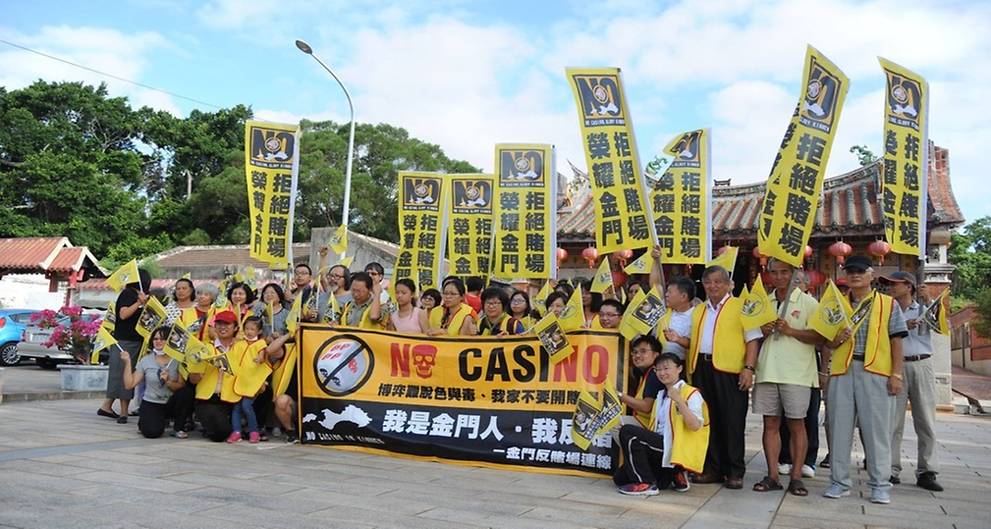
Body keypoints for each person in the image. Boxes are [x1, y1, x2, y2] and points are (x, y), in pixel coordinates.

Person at [823, 256, 907, 504]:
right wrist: (836, 339)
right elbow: (826, 341)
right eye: (850, 271)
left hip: (875, 371)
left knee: (877, 430)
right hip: (842, 370)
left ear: (872, 275)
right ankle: (839, 482)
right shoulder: (835, 305)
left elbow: (897, 340)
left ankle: (880, 484)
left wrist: (896, 374)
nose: (855, 275)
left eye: (860, 271)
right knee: (838, 428)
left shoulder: (887, 304)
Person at [752, 260, 824, 497]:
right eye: (775, 272)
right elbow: (749, 333)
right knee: (770, 423)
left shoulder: (808, 302)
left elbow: (821, 337)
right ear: (768, 275)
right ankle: (772, 474)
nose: (780, 277)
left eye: (785, 272)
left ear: (793, 274)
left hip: (798, 372)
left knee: (796, 424)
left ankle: (796, 476)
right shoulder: (763, 302)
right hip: (768, 370)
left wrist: (791, 331)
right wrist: (760, 330)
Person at [688, 265, 762, 489]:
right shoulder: (699, 310)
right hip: (701, 367)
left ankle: (734, 471)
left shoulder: (741, 306)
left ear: (729, 284)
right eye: (708, 282)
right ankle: (712, 468)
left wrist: (748, 368)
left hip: (729, 371)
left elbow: (753, 340)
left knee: (732, 420)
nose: (713, 286)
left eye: (718, 281)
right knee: (708, 419)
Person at [883, 271, 943, 492]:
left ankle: (927, 470)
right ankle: (890, 468)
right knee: (892, 421)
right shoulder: (887, 311)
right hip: (896, 366)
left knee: (925, 419)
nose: (890, 287)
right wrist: (900, 327)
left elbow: (940, 327)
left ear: (908, 286)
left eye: (895, 284)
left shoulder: (923, 309)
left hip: (921, 363)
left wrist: (928, 301)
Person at [615, 353, 707, 496]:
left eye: (666, 368)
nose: (662, 373)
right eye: (658, 370)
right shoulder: (660, 395)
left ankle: (646, 483)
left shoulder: (691, 393)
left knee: (628, 432)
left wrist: (680, 402)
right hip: (660, 445)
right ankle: (672, 474)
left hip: (675, 447)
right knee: (620, 478)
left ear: (679, 369)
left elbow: (695, 426)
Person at [778, 271, 826, 478]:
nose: (793, 284)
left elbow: (824, 340)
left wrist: (824, 371)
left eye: (798, 282)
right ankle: (785, 457)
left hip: (807, 367)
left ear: (807, 285)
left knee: (808, 417)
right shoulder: (776, 302)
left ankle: (809, 460)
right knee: (782, 418)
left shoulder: (811, 305)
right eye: (792, 280)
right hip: (780, 367)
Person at [119, 326, 192, 438]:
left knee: (186, 393)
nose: (158, 342)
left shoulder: (177, 360)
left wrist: (168, 382)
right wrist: (128, 362)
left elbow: (181, 386)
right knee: (152, 432)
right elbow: (129, 384)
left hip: (170, 402)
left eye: (162, 339)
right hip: (152, 402)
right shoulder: (146, 360)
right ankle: (148, 421)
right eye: (155, 339)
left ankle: (179, 427)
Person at [99, 268, 152, 424]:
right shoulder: (129, 294)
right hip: (126, 342)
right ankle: (123, 413)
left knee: (120, 375)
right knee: (124, 375)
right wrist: (139, 303)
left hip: (134, 341)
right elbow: (123, 314)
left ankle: (106, 407)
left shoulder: (141, 296)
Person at [188, 310, 240, 442]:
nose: (223, 327)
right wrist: (196, 368)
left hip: (234, 396)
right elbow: (193, 380)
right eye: (219, 324)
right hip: (210, 397)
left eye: (227, 324)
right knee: (220, 434)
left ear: (235, 328)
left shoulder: (242, 348)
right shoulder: (205, 348)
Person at [227, 317, 270, 444]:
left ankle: (254, 431)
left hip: (252, 382)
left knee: (246, 406)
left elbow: (262, 357)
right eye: (246, 329)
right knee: (236, 407)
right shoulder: (239, 344)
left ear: (259, 331)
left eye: (252, 329)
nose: (249, 331)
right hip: (239, 380)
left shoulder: (260, 343)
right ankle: (236, 431)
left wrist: (259, 359)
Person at [618, 335, 664, 429]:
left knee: (613, 423)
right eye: (635, 352)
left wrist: (618, 395)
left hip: (652, 427)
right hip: (643, 422)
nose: (637, 355)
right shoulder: (644, 373)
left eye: (643, 351)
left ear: (656, 355)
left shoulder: (655, 373)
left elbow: (646, 407)